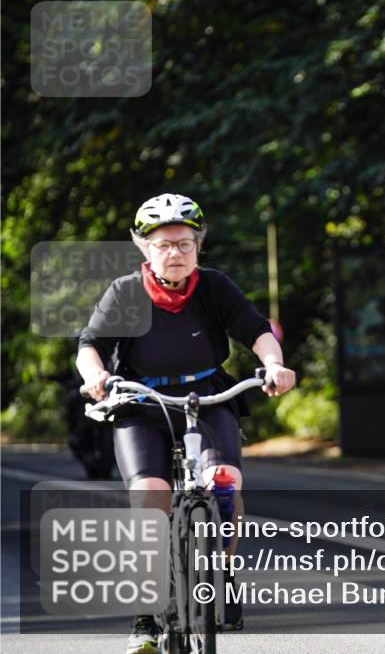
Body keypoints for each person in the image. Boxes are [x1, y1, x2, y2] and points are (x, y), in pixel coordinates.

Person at [76, 193, 296, 654]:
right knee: (150, 494)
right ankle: (145, 618)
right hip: (141, 401)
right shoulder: (125, 292)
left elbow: (255, 330)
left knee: (226, 480)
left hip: (206, 394)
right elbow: (90, 343)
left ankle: (221, 570)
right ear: (145, 249)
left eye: (184, 244)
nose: (175, 253)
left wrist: (274, 365)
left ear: (198, 247)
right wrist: (95, 375)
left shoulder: (215, 287)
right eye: (164, 245)